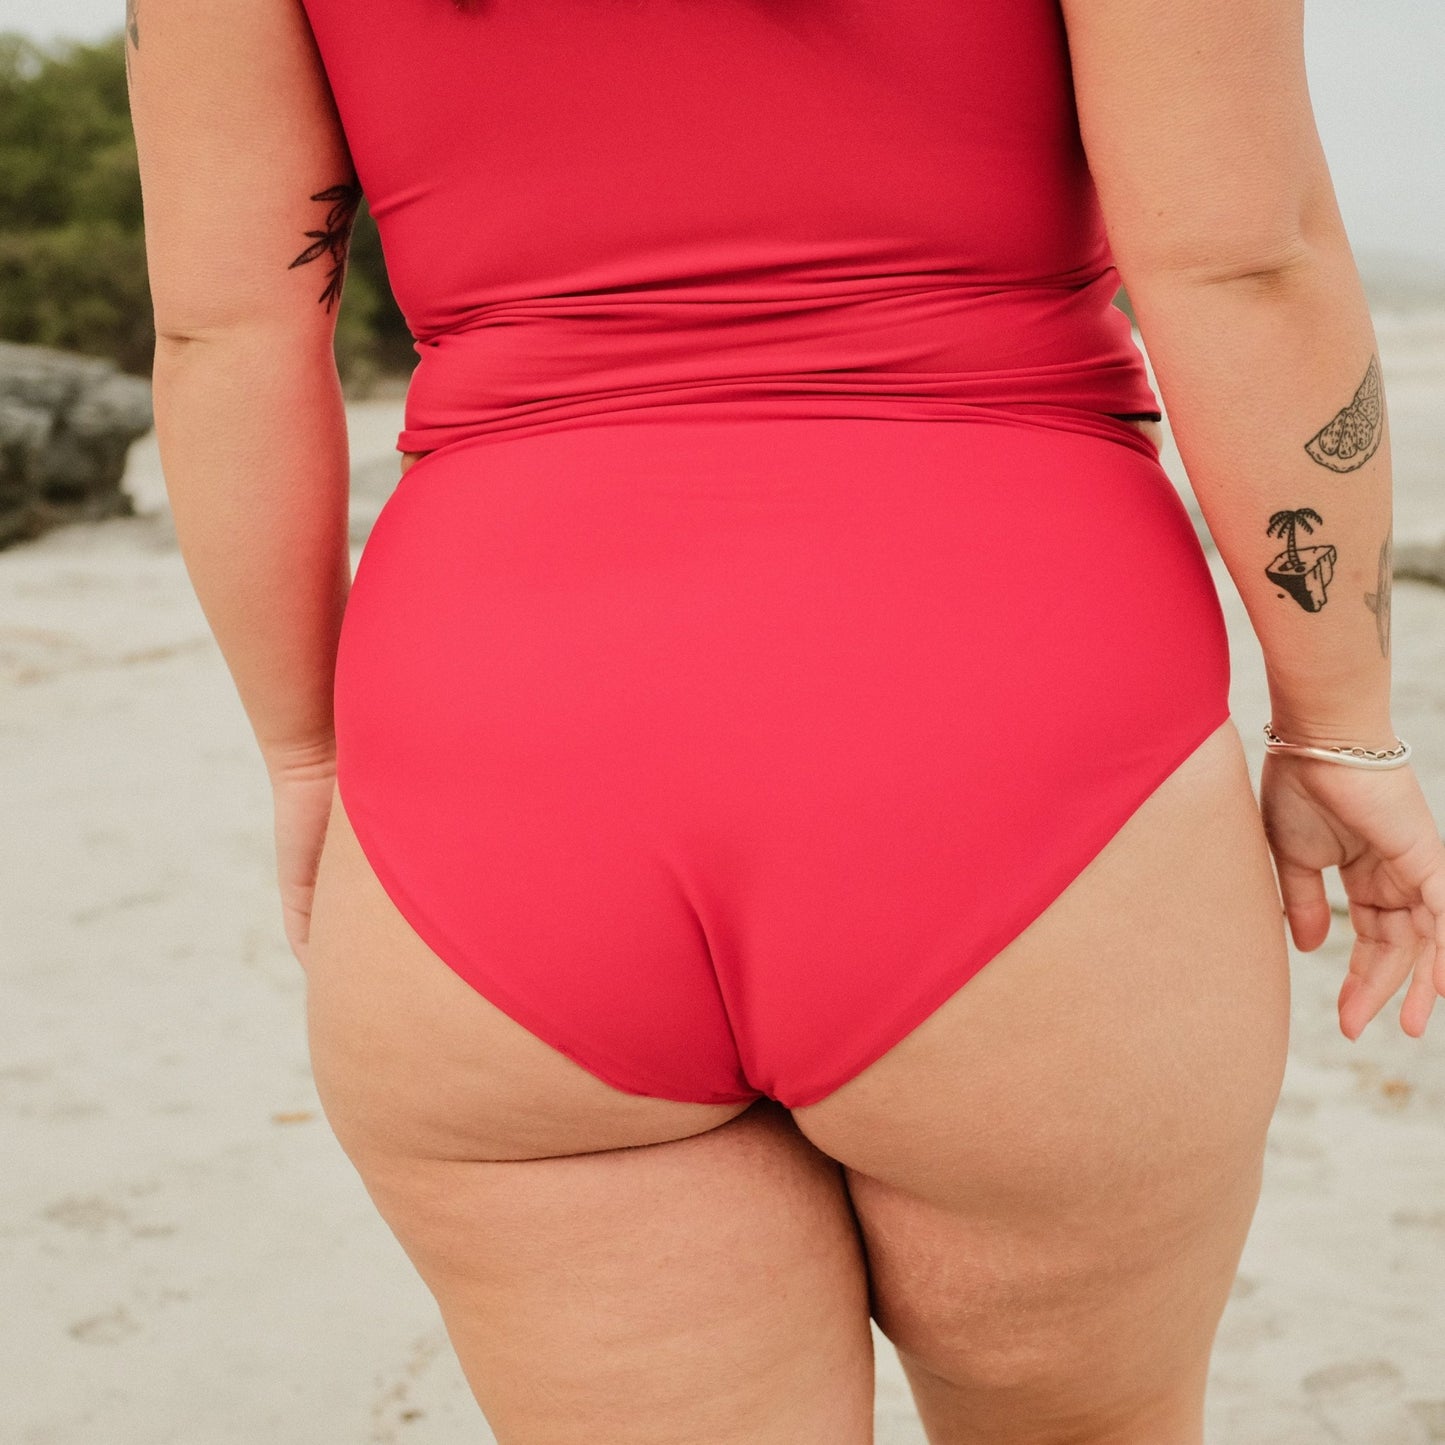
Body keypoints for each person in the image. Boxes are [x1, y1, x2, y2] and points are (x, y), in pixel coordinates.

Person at [126, 0, 1445, 1439]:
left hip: (500, 748)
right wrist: (1337, 725)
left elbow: (223, 331)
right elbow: (1242, 260)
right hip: (1011, 716)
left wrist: (306, 751)